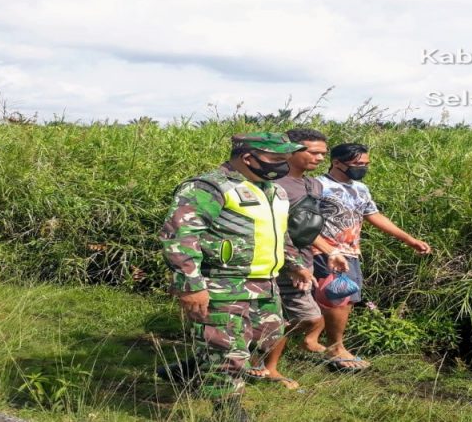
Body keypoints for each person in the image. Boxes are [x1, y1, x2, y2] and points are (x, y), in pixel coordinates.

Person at [158, 132, 315, 422]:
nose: (284, 164)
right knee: (227, 350)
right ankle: (228, 410)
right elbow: (180, 235)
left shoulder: (273, 190)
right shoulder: (209, 187)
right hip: (222, 282)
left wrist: (295, 264)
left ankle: (187, 370)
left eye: (285, 158)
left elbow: (279, 233)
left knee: (266, 337)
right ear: (248, 158)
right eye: (276, 158)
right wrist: (190, 285)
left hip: (264, 283)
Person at [313, 143, 431, 372]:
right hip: (326, 251)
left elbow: (373, 215)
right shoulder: (318, 186)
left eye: (366, 164)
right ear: (337, 162)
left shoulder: (361, 188)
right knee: (336, 298)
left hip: (351, 251)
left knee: (346, 298)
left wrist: (409, 239)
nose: (363, 168)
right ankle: (335, 348)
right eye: (357, 164)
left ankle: (320, 343)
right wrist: (322, 248)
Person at [246, 128, 347, 388]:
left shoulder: (314, 185)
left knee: (294, 318)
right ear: (290, 151)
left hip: (303, 261)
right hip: (277, 262)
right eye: (313, 152)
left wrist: (331, 251)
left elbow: (305, 228)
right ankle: (263, 365)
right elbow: (272, 228)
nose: (320, 158)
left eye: (323, 153)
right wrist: (293, 264)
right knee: (291, 317)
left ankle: (258, 360)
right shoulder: (272, 185)